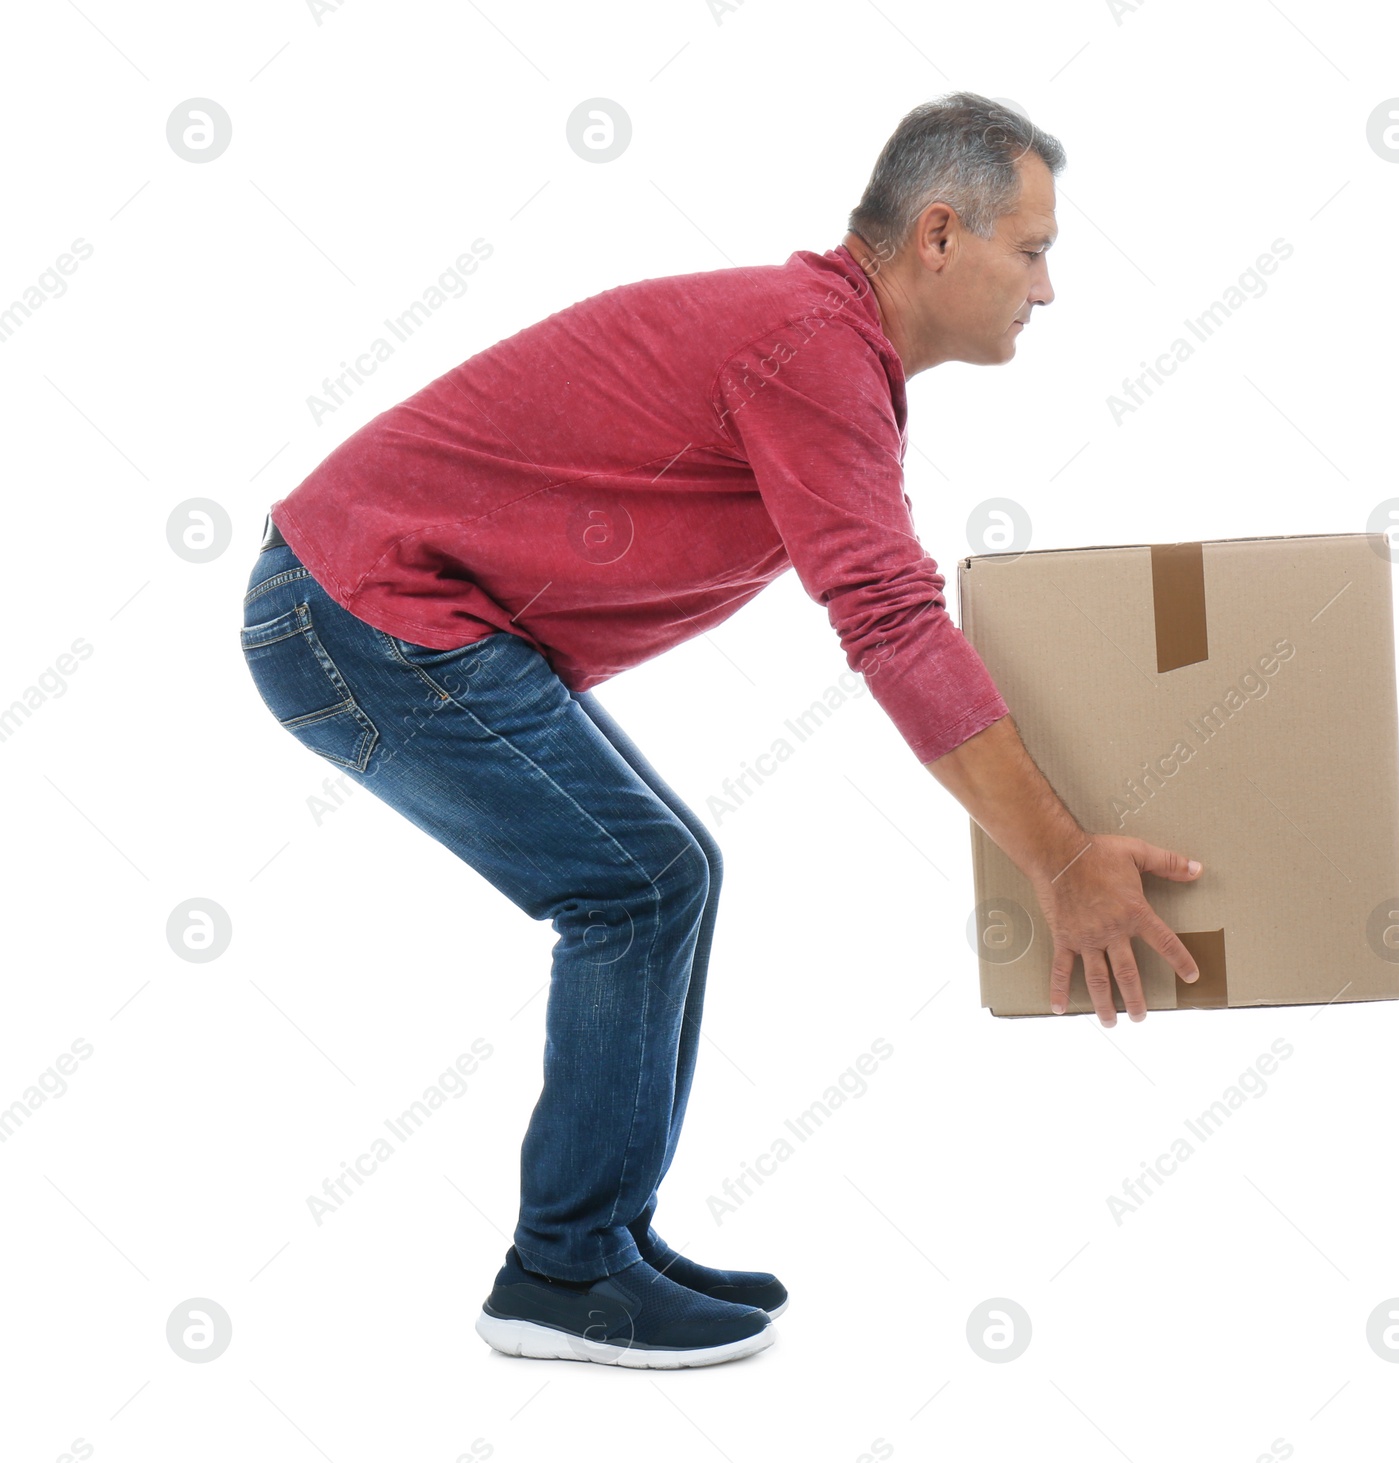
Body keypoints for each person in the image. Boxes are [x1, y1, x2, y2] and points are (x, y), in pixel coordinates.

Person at [238, 90, 1204, 1370]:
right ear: (935, 235)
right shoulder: (810, 344)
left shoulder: (820, 341)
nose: (1047, 287)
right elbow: (888, 618)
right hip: (362, 614)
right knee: (635, 883)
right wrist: (1062, 859)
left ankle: (602, 1240)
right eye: (1031, 249)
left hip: (391, 611)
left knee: (659, 875)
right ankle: (562, 1269)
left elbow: (883, 605)